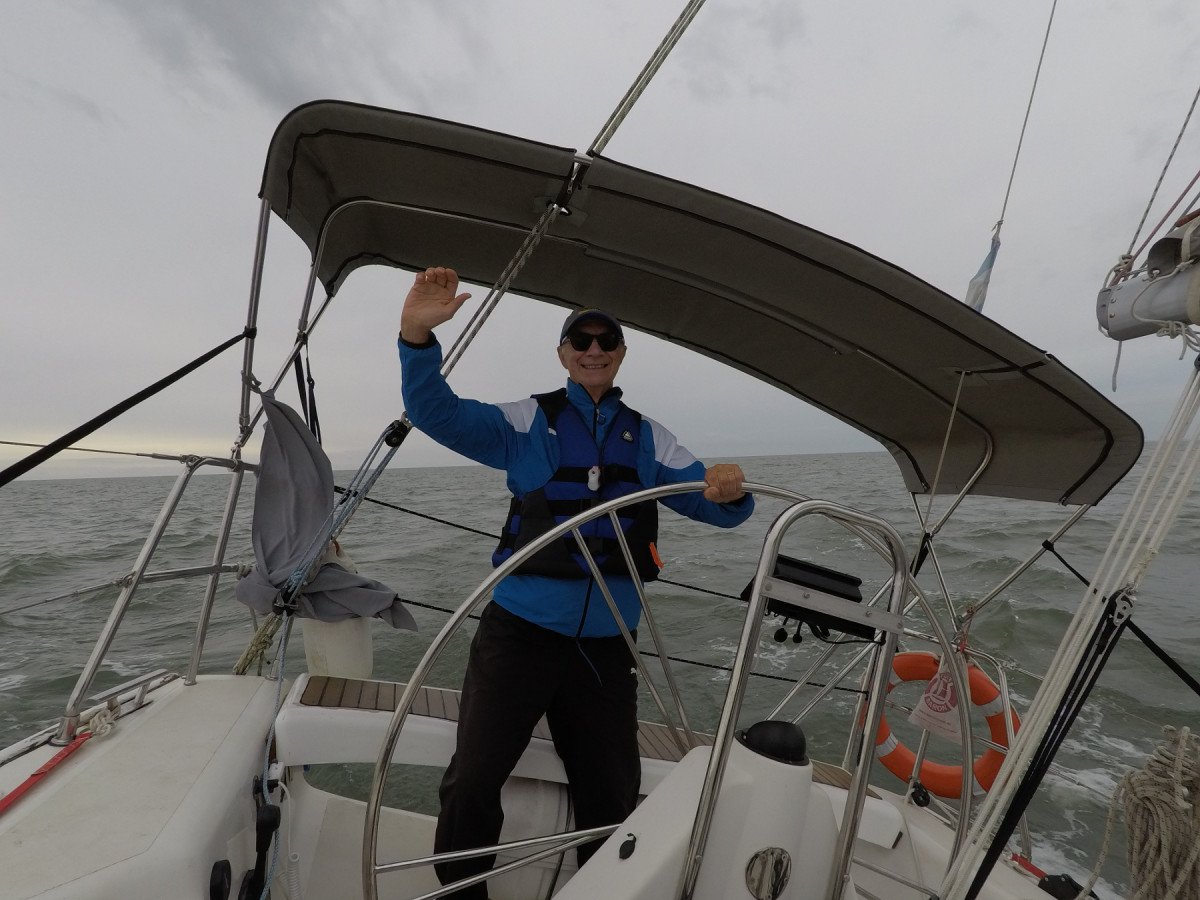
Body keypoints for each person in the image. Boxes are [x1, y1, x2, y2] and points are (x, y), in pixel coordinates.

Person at [398, 266, 754, 898]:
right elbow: (433, 412)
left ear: (620, 355)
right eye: (580, 341)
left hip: (605, 643)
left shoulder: (648, 437)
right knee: (474, 777)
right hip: (521, 632)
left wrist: (731, 493)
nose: (593, 350)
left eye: (605, 342)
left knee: (613, 796)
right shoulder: (526, 419)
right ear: (562, 354)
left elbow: (713, 505)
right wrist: (417, 337)